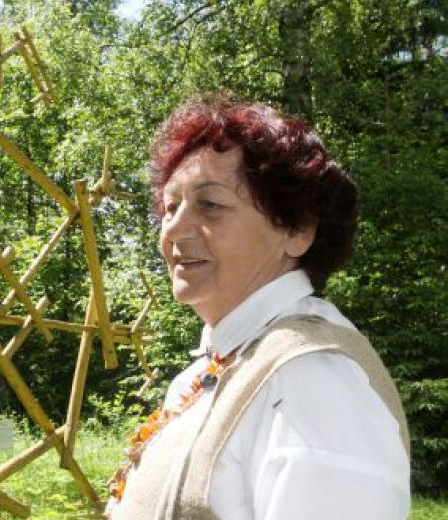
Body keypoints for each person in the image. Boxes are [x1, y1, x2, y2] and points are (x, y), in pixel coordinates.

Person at [105, 94, 410, 520]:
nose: (173, 229)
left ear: (297, 231)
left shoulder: (311, 381)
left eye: (210, 205)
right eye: (171, 207)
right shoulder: (223, 365)